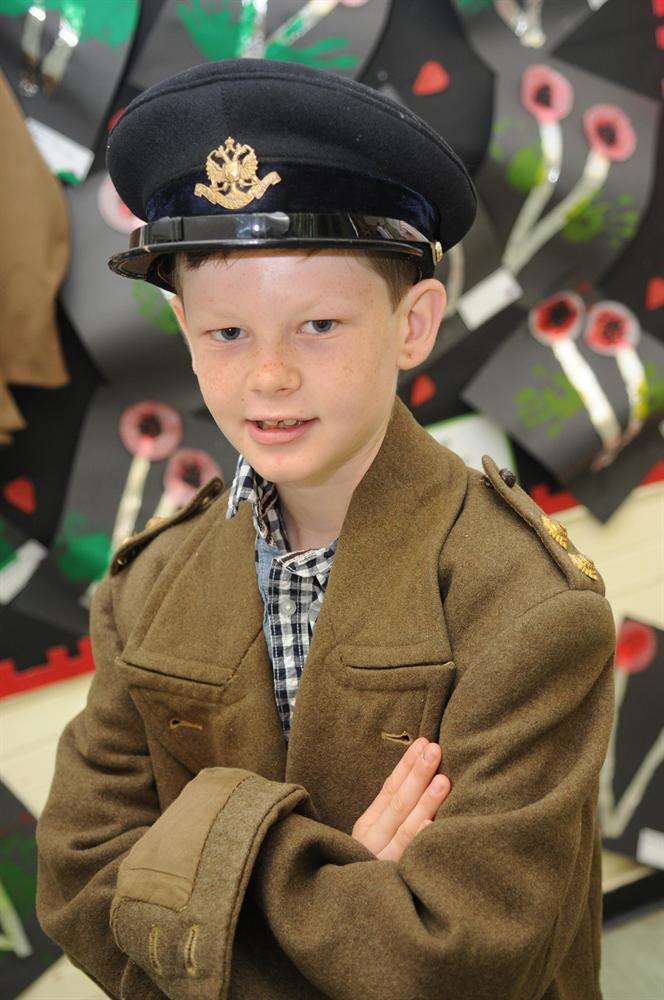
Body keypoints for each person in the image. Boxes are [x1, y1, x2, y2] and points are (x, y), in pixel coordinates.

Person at [35, 57, 616, 1000]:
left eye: (318, 326)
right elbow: (76, 876)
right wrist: (337, 873)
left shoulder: (525, 609)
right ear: (184, 330)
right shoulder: (146, 589)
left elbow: (455, 959)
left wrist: (196, 862)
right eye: (228, 334)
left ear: (415, 323)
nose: (269, 378)